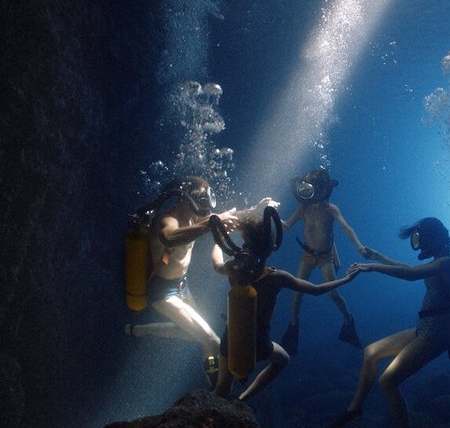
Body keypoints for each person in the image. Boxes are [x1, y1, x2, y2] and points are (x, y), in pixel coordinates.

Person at [316, 217, 450, 428]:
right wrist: (378, 257)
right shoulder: (439, 261)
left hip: (437, 331)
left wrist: (370, 267)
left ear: (431, 238)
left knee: (388, 381)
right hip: (425, 325)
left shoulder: (447, 262)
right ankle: (355, 408)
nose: (418, 245)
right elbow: (408, 268)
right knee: (371, 352)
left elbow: (411, 275)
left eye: (419, 239)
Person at [123, 175, 271, 386]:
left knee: (194, 334)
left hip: (182, 286)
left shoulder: (193, 218)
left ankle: (140, 330)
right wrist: (211, 225)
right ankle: (216, 386)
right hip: (162, 292)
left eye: (207, 198)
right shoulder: (168, 219)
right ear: (185, 198)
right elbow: (169, 237)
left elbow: (227, 216)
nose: (205, 204)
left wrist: (257, 209)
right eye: (201, 198)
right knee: (211, 340)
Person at [210, 206, 360, 401]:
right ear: (272, 247)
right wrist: (346, 279)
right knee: (282, 360)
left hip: (231, 338)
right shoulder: (277, 277)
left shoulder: (234, 269)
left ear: (245, 243)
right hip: (259, 344)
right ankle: (242, 400)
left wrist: (217, 242)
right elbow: (316, 289)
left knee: (222, 387)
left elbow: (216, 265)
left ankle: (208, 415)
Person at [279, 167, 370, 355]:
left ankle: (348, 321)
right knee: (297, 293)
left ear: (323, 190)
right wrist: (271, 216)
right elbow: (287, 224)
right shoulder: (304, 208)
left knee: (333, 294)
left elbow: (347, 228)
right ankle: (293, 326)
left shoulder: (330, 209)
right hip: (308, 255)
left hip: (325, 256)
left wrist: (359, 246)